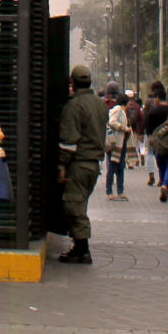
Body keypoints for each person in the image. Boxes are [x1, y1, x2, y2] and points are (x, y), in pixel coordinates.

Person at [53, 64, 106, 265]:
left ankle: (82, 249)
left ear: (73, 84)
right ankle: (79, 247)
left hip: (79, 164)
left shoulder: (74, 106)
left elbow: (68, 142)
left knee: (74, 205)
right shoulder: (99, 104)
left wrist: (61, 165)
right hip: (94, 165)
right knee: (79, 203)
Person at [145, 81, 168, 202]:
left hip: (158, 144)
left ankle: (163, 185)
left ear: (157, 98)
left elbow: (149, 129)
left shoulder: (153, 112)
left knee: (161, 166)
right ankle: (165, 185)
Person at [103, 91, 132, 202]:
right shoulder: (118, 109)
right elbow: (112, 122)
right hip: (115, 143)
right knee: (113, 166)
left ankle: (121, 191)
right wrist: (123, 128)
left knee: (120, 167)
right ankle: (109, 191)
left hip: (122, 143)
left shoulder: (123, 112)